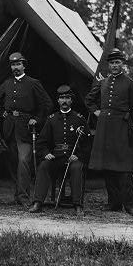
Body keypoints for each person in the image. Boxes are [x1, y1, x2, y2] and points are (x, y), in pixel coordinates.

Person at [84, 48, 133, 216]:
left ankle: (130, 204)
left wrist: (127, 121)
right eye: (112, 63)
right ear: (108, 65)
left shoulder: (130, 84)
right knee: (108, 166)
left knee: (124, 168)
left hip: (121, 128)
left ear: (122, 64)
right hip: (104, 128)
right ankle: (114, 202)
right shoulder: (103, 83)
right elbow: (89, 100)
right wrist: (97, 112)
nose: (115, 66)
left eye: (118, 62)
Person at [0, 52, 53, 207]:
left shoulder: (33, 83)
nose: (15, 67)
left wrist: (36, 119)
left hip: (26, 128)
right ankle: (17, 195)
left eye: (18, 64)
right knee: (12, 162)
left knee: (23, 161)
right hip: (9, 127)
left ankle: (24, 197)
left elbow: (47, 104)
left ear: (24, 65)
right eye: (13, 65)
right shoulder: (7, 83)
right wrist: (1, 113)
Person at [28, 85, 91, 215]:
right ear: (58, 101)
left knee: (76, 167)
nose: (64, 101)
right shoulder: (51, 119)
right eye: (61, 98)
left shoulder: (79, 119)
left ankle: (77, 205)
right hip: (55, 157)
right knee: (44, 166)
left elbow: (87, 144)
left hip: (72, 157)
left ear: (71, 100)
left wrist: (78, 155)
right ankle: (38, 202)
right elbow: (42, 142)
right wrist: (46, 153)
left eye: (67, 98)